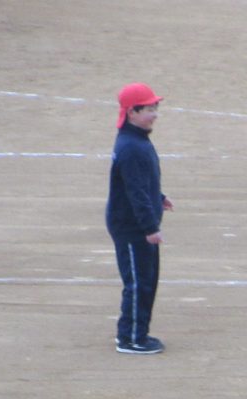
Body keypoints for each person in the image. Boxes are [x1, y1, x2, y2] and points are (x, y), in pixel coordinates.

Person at [106, 82, 174, 354]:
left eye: (155, 108)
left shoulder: (136, 139)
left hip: (135, 224)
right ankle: (131, 338)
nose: (155, 114)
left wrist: (159, 197)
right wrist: (150, 227)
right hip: (132, 226)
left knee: (146, 280)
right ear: (132, 112)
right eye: (149, 109)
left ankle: (135, 333)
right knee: (139, 283)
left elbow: (141, 182)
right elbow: (135, 191)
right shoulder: (132, 147)